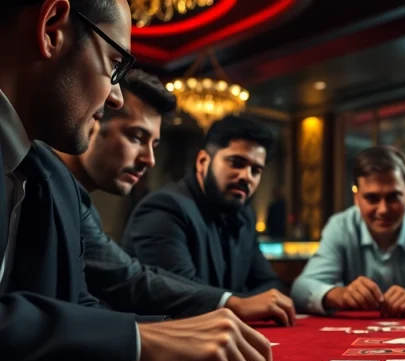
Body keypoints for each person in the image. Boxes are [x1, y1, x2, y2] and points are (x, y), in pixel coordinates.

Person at [0, 0, 272, 361]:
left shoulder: (50, 176)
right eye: (114, 64)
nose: (114, 96)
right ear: (51, 28)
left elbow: (76, 307)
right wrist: (139, 346)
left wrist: (167, 334)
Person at [54, 69, 296, 325]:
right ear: (90, 120)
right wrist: (233, 303)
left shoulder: (75, 200)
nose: (150, 160)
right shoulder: (164, 207)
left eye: (256, 170)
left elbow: (86, 304)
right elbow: (132, 282)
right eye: (137, 137)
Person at [122, 115, 291, 304]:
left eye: (256, 170)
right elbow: (182, 296)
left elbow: (270, 283)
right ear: (202, 162)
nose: (247, 176)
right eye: (236, 163)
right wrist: (244, 303)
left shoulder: (245, 215)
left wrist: (247, 302)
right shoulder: (164, 208)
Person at [291, 146, 405, 316]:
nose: (383, 210)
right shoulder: (341, 225)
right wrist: (340, 295)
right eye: (372, 198)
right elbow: (301, 287)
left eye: (393, 197)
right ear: (357, 198)